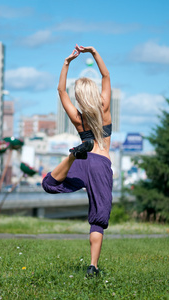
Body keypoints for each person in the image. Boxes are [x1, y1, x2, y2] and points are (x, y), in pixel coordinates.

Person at [42, 45, 113, 277]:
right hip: (101, 163)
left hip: (84, 159)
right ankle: (93, 266)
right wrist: (93, 53)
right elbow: (105, 75)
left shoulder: (78, 118)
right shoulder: (104, 108)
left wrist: (67, 62)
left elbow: (61, 91)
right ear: (94, 93)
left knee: (49, 184)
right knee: (98, 218)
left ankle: (72, 155)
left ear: (80, 97)